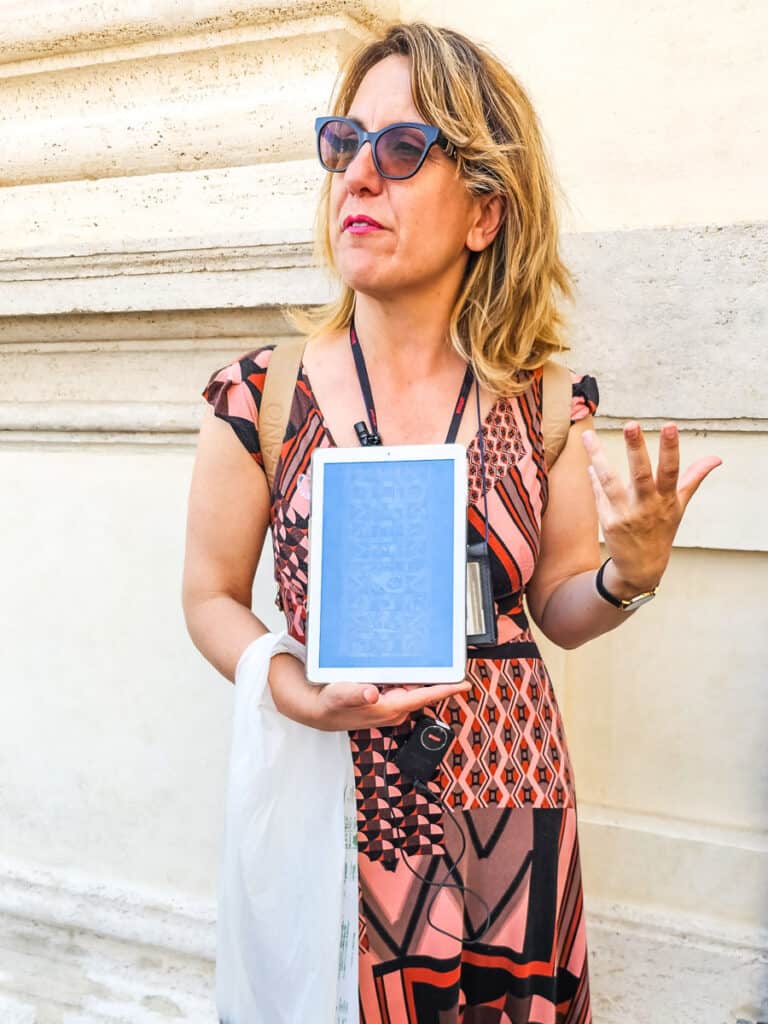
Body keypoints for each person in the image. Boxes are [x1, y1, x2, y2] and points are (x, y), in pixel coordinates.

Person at [182, 21, 721, 1024]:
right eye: (344, 144)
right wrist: (294, 690)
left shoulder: (545, 404)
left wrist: (628, 574)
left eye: (401, 151)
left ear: (484, 212)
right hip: (345, 804)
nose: (357, 177)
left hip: (511, 808)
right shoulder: (262, 395)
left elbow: (560, 607)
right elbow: (209, 596)